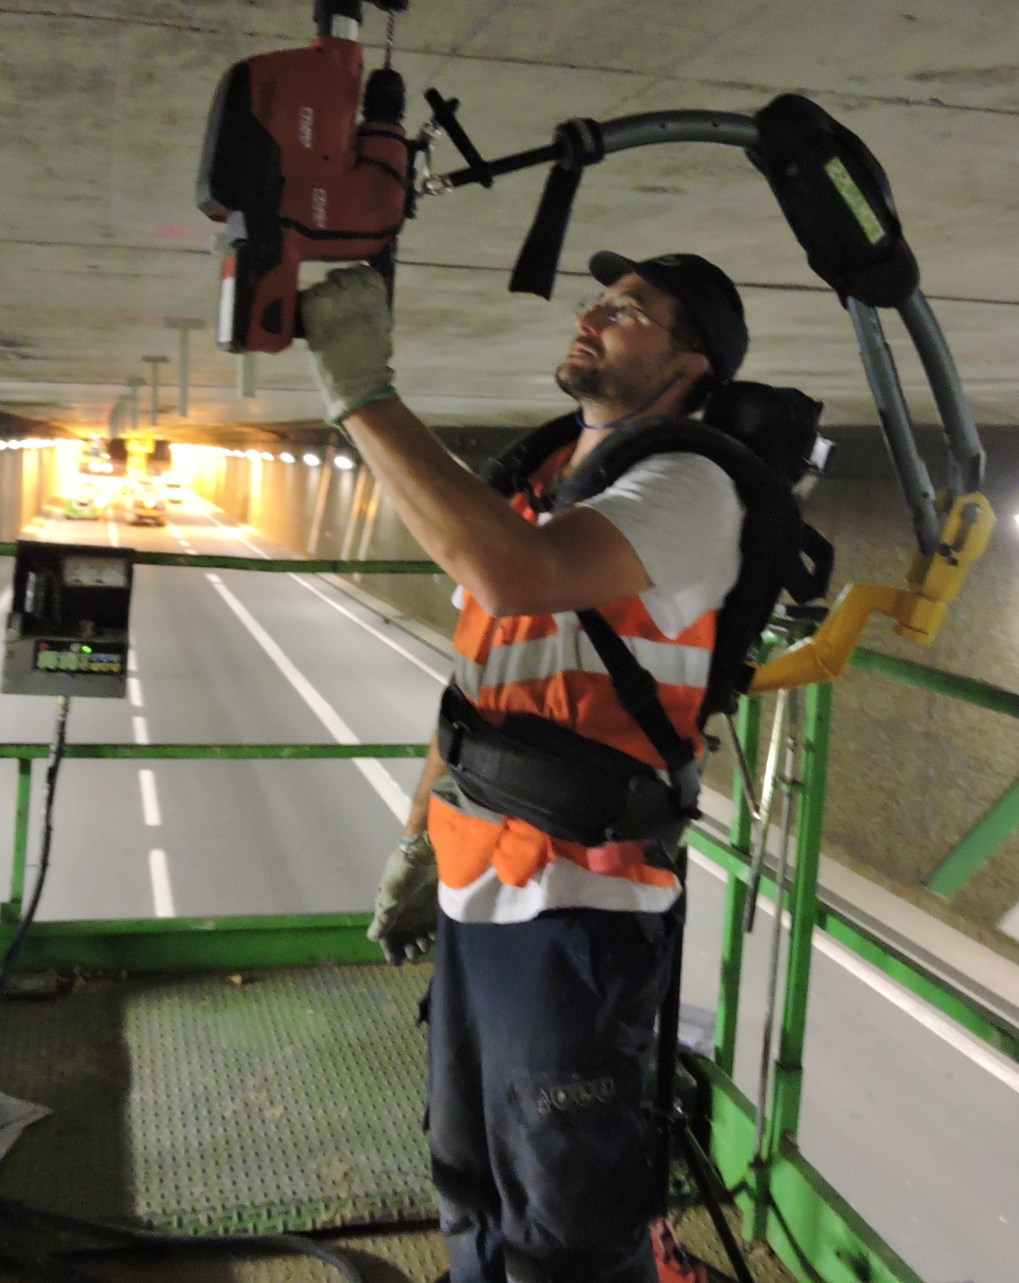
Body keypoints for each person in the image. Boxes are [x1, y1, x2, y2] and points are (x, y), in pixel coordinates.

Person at [300, 250, 749, 1283]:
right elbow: (471, 700)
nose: (592, 313)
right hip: (480, 881)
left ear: (691, 361)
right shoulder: (545, 485)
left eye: (628, 310)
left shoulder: (692, 487)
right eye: (598, 299)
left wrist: (363, 395)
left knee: (566, 1223)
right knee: (470, 1175)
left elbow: (511, 580)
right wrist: (417, 844)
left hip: (577, 906)